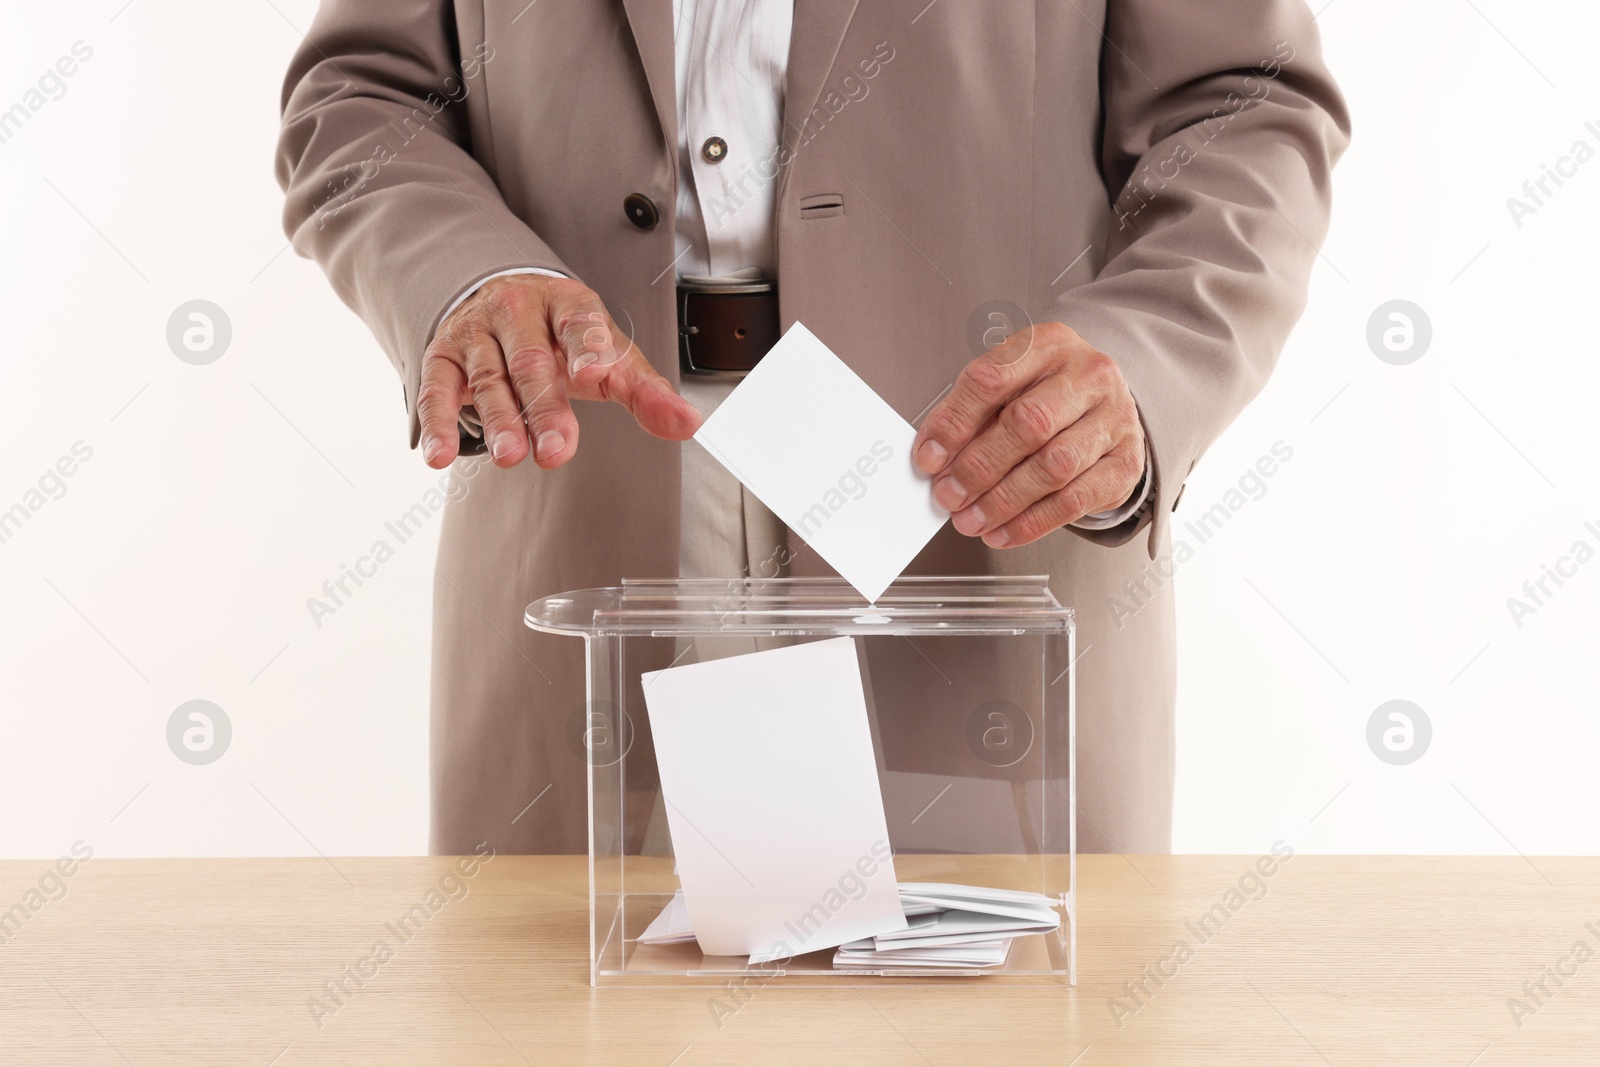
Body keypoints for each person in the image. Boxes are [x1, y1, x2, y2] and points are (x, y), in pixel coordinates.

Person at [277, 0, 1349, 856]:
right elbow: (362, 94)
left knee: (993, 1018)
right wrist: (472, 275)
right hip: (590, 482)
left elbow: (1244, 108)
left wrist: (1142, 364)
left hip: (968, 515)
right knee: (564, 1012)